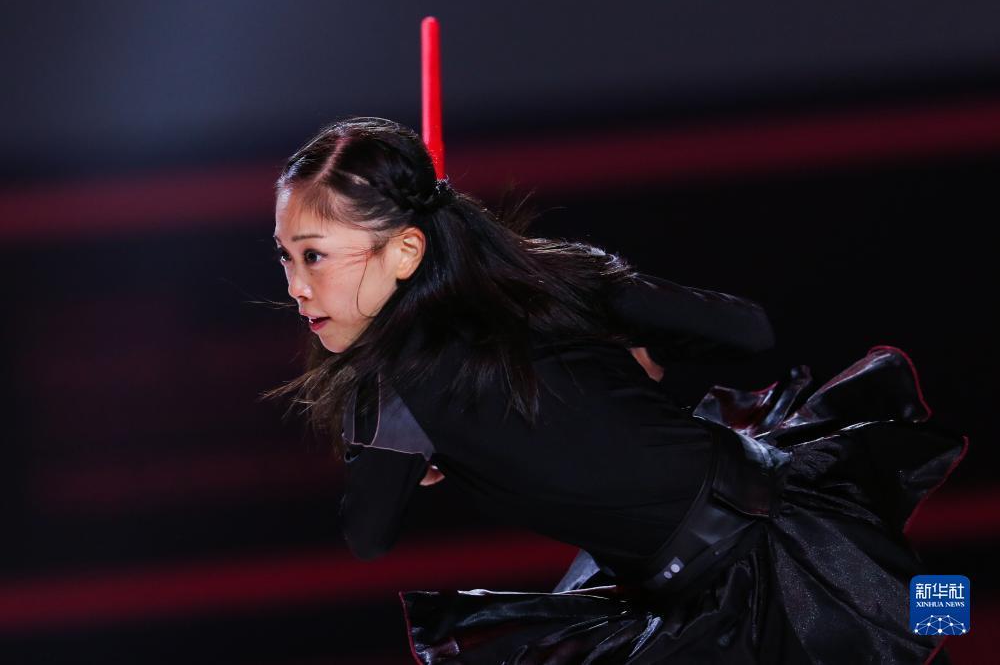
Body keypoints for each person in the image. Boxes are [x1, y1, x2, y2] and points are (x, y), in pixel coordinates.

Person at [266, 117, 967, 664]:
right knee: (928, 627)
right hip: (743, 551)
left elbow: (368, 532)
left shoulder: (395, 394)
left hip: (775, 563)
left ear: (405, 250)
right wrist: (640, 342)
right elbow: (743, 330)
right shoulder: (546, 279)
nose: (297, 287)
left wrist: (400, 447)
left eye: (315, 256)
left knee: (935, 623)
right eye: (287, 257)